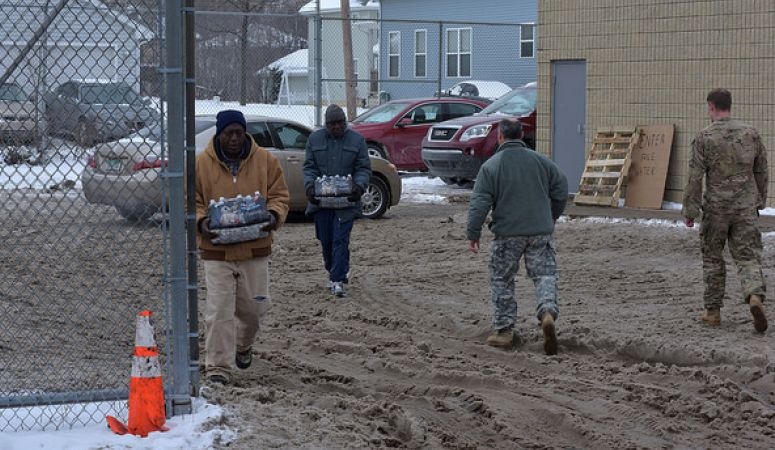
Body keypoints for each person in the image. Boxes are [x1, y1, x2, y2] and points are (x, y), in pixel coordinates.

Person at [195, 110, 290, 385]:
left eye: (238, 132)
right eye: (228, 133)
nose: (234, 138)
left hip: (255, 248)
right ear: (219, 134)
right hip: (217, 251)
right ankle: (217, 369)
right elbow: (193, 200)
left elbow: (280, 196)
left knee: (255, 310)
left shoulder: (265, 161)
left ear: (245, 132)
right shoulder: (202, 164)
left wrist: (273, 215)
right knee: (219, 311)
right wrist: (201, 221)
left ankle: (243, 345)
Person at [467, 118, 568, 355]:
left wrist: (473, 233)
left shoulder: (492, 166)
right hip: (540, 230)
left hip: (507, 233)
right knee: (544, 275)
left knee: (502, 279)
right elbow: (561, 188)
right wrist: (552, 215)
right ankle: (546, 313)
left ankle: (504, 331)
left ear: (500, 136)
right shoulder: (542, 162)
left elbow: (479, 202)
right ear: (521, 135)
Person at [683, 88, 768, 333]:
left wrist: (690, 209)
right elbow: (761, 170)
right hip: (745, 208)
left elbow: (694, 178)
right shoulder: (750, 134)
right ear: (729, 106)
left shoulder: (704, 138)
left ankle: (712, 312)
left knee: (712, 258)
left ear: (711, 106)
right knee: (748, 256)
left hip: (716, 210)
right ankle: (754, 297)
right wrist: (759, 200)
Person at [303, 104, 371, 297]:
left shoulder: (357, 141)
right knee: (326, 240)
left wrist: (358, 186)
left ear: (345, 122)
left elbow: (363, 168)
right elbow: (309, 167)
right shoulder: (315, 139)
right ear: (326, 124)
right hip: (321, 203)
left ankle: (337, 280)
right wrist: (309, 187)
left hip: (346, 203)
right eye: (332, 124)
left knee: (340, 239)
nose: (337, 127)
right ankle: (335, 268)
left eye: (340, 123)